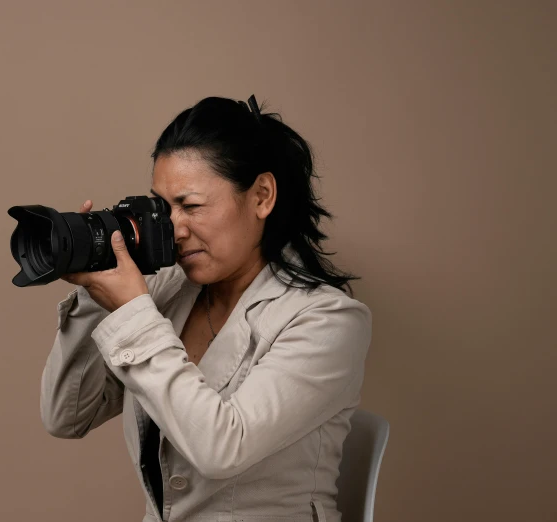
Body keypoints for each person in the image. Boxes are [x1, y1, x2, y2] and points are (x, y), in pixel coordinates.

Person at [40, 95, 372, 522]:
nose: (174, 229)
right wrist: (94, 292)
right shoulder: (171, 292)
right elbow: (66, 417)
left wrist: (133, 312)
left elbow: (221, 449)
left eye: (191, 205)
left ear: (262, 196)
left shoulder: (328, 321)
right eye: (164, 207)